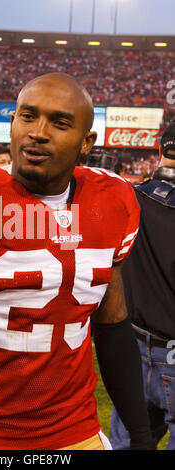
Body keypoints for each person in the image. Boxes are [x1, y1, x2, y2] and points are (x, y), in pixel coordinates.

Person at [0, 73, 154, 451]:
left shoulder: (111, 200)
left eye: (60, 122)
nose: (38, 132)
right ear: (13, 123)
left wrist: (140, 434)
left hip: (77, 431)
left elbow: (113, 328)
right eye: (27, 116)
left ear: (86, 143)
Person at [109, 122, 175, 450]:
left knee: (127, 445)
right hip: (172, 352)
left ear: (162, 150)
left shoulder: (129, 197)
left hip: (131, 346)